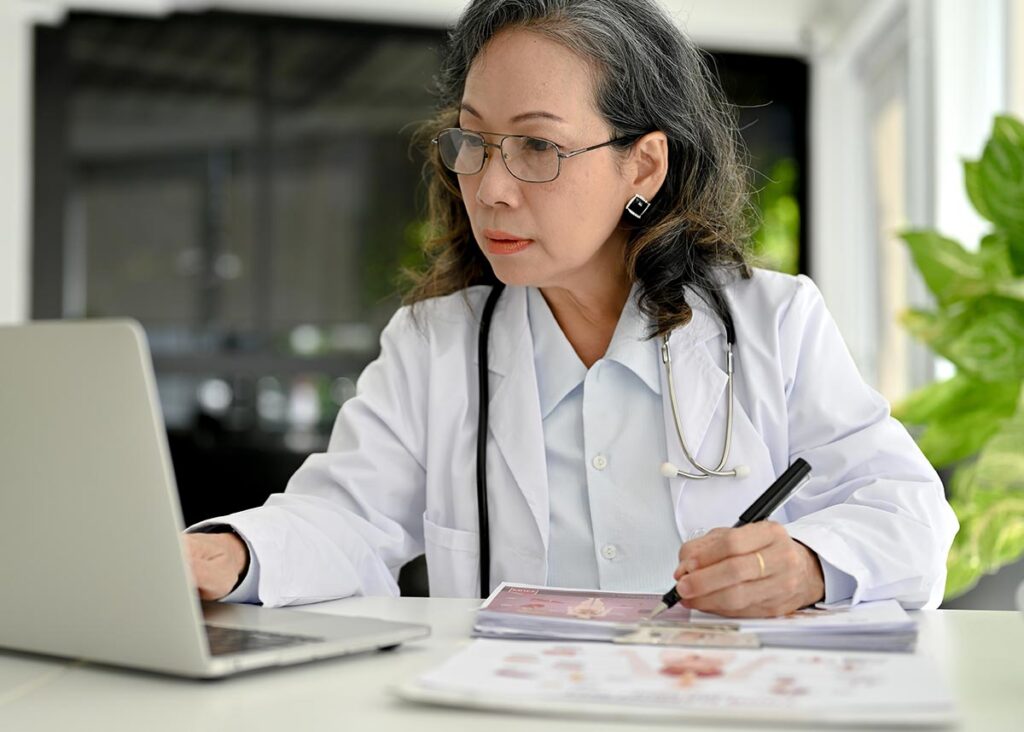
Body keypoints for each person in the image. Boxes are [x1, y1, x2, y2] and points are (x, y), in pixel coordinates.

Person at [185, 0, 957, 617]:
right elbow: (347, 519)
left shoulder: (773, 325)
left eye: (536, 148)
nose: (490, 187)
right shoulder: (435, 346)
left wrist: (809, 564)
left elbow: (909, 515)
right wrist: (234, 552)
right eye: (474, 143)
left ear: (643, 165)